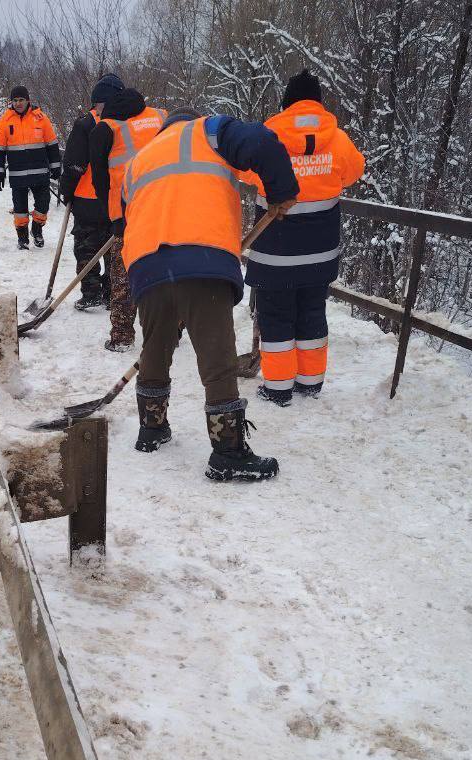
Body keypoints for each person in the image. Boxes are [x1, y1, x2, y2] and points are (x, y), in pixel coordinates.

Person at [121, 108, 298, 481]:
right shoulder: (210, 131)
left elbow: (127, 214)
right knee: (216, 353)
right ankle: (228, 451)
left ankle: (151, 429)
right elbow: (265, 142)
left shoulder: (140, 159)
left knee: (155, 345)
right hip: (201, 256)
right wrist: (281, 192)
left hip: (145, 263)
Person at [240, 69, 365, 406]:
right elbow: (354, 171)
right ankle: (310, 383)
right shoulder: (337, 138)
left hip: (274, 249)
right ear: (318, 101)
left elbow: (245, 172)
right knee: (312, 311)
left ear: (287, 101)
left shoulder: (268, 136)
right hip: (320, 251)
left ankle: (278, 388)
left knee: (276, 314)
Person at [90, 87, 166, 351]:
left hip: (127, 214)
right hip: (166, 209)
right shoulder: (160, 116)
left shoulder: (106, 129)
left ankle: (122, 337)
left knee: (123, 276)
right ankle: (171, 331)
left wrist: (109, 214)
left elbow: (99, 179)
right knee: (164, 271)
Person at [59, 73, 124, 311]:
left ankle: (91, 291)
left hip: (87, 198)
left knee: (87, 246)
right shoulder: (125, 124)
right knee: (112, 247)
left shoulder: (87, 123)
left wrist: (66, 190)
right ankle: (110, 292)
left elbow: (75, 163)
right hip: (116, 199)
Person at [0, 86, 62, 250]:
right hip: (18, 174)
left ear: (27, 100)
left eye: (21, 100)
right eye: (15, 100)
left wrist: (56, 166)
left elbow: (52, 145)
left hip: (40, 173)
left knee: (43, 204)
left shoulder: (41, 118)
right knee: (20, 209)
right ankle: (22, 237)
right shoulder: (4, 121)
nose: (18, 103)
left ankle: (37, 230)